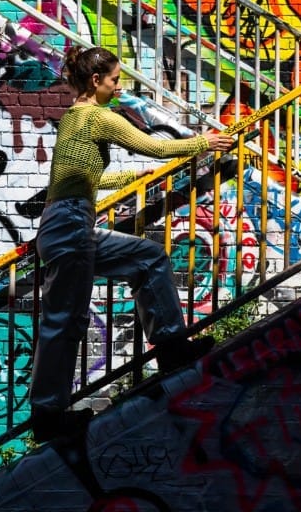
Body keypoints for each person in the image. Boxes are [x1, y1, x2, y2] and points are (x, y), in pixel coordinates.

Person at [28, 45, 235, 442]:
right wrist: (203, 143)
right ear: (96, 81)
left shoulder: (75, 118)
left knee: (148, 257)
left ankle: (171, 346)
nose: (118, 85)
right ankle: (47, 416)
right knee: (64, 321)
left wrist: (125, 180)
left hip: (69, 223)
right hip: (70, 225)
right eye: (115, 79)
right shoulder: (95, 117)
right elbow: (155, 145)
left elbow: (77, 177)